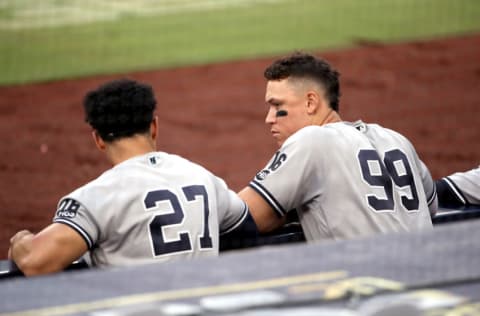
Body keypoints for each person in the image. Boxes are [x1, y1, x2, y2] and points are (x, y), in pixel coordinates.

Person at [8, 79, 257, 276]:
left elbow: (35, 262)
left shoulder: (95, 197)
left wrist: (21, 241)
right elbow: (246, 227)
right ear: (154, 126)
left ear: (98, 139)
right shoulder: (202, 177)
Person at [238, 52, 437, 242]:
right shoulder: (396, 139)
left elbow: (243, 216)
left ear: (310, 102)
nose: (269, 118)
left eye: (278, 106)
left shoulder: (311, 141)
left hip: (370, 273)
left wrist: (282, 210)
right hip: (429, 269)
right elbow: (431, 207)